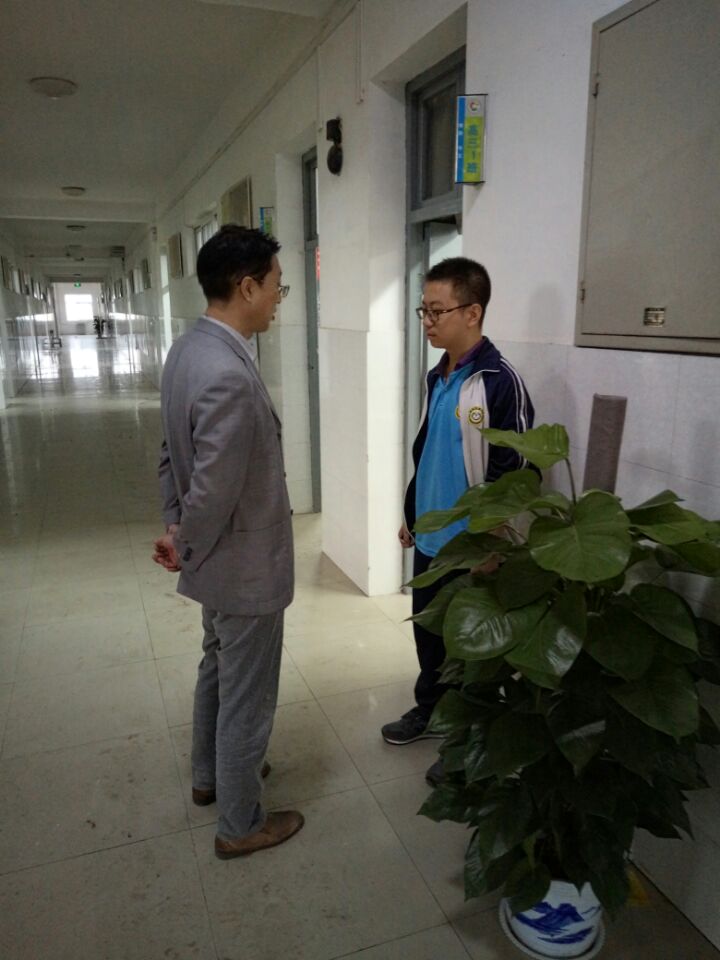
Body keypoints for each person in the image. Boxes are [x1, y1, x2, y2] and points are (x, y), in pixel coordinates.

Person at [153, 224, 304, 859]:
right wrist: (185, 537)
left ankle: (210, 776)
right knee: (248, 695)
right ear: (246, 287)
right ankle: (240, 825)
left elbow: (171, 454)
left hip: (216, 561)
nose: (277, 299)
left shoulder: (188, 352)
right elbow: (215, 488)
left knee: (217, 666)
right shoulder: (229, 373)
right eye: (276, 286)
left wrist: (176, 529)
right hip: (244, 566)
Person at [381, 256, 535, 785]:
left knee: (470, 649)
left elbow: (514, 470)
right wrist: (412, 511)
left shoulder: (498, 382)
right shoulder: (438, 375)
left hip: (473, 548)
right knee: (430, 637)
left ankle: (469, 744)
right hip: (432, 539)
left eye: (436, 311)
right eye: (423, 310)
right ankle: (430, 711)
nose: (427, 321)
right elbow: (429, 450)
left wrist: (492, 543)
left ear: (473, 312)